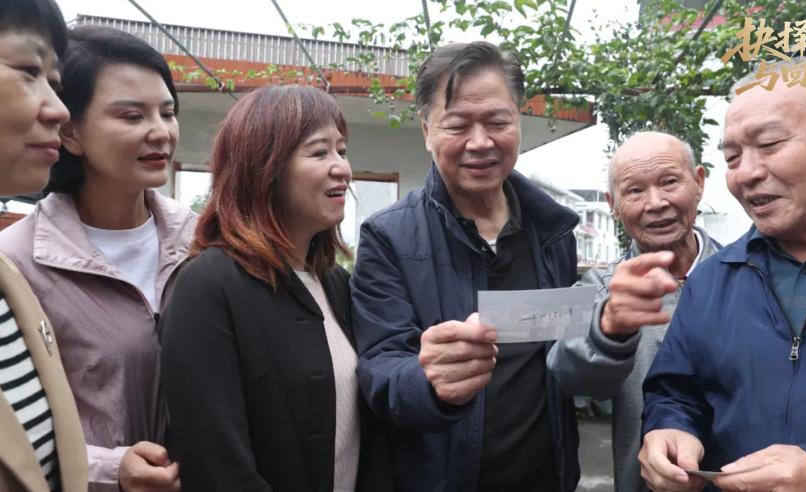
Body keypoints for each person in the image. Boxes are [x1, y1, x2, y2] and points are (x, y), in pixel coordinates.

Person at [350, 41, 580, 492]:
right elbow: (380, 368)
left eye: (498, 122)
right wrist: (428, 380)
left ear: (518, 121)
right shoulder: (387, 237)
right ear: (426, 130)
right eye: (457, 125)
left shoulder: (553, 232)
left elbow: (566, 354)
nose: (480, 142)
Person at [638, 56, 806, 492]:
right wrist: (669, 430)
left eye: (769, 144)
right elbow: (677, 391)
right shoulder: (712, 281)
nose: (745, 173)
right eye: (732, 156)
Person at [158, 85, 392, 492]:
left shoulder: (336, 282)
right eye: (319, 153)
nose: (342, 168)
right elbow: (216, 462)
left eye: (341, 151)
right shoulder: (207, 286)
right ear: (265, 169)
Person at [0, 25, 195, 492]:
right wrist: (111, 468)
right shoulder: (19, 264)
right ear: (70, 131)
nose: (160, 132)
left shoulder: (203, 241)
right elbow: (16, 434)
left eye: (168, 112)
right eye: (132, 115)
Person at [547, 131, 722, 492]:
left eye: (669, 182)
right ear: (613, 204)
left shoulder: (747, 273)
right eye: (635, 190)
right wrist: (609, 329)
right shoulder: (601, 287)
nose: (655, 203)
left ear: (699, 183)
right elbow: (569, 376)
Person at [0, 1, 88, 491]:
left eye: (54, 82)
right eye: (29, 71)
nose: (60, 111)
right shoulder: (23, 255)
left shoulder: (9, 281)